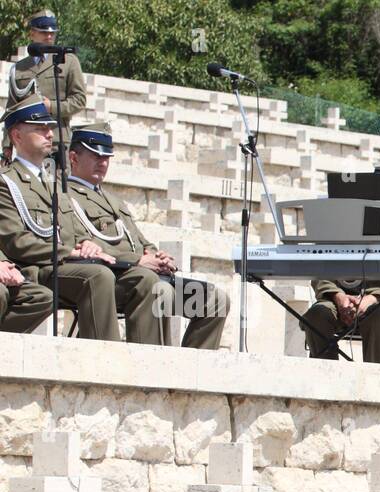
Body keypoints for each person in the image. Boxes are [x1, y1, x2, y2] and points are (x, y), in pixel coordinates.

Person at [66, 123, 227, 349]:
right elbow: (82, 242)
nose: (102, 163)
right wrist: (138, 261)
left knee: (213, 300)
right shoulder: (64, 196)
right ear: (74, 157)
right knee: (155, 288)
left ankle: (183, 377)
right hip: (114, 281)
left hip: (142, 274)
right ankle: (151, 373)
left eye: (106, 158)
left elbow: (139, 240)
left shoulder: (114, 201)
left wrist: (156, 255)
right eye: (95, 156)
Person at [0, 95, 119, 339]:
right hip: (36, 266)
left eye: (50, 128)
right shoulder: (7, 182)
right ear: (17, 136)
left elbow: (72, 230)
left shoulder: (54, 183)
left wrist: (86, 243)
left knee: (111, 270)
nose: (50, 134)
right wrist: (69, 253)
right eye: (40, 129)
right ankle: (102, 363)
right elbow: (16, 241)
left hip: (63, 263)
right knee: (98, 276)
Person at [302, 162, 380, 362]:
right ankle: (328, 377)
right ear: (375, 191)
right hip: (342, 299)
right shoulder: (337, 221)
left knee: (378, 314)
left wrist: (370, 299)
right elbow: (321, 268)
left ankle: (372, 382)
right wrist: (338, 297)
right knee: (317, 314)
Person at [5, 10, 86, 147]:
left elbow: (79, 100)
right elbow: (11, 110)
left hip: (56, 140)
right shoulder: (19, 67)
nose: (49, 36)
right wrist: (7, 145)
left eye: (52, 32)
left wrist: (51, 107)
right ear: (32, 33)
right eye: (43, 32)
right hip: (26, 141)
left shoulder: (68, 61)